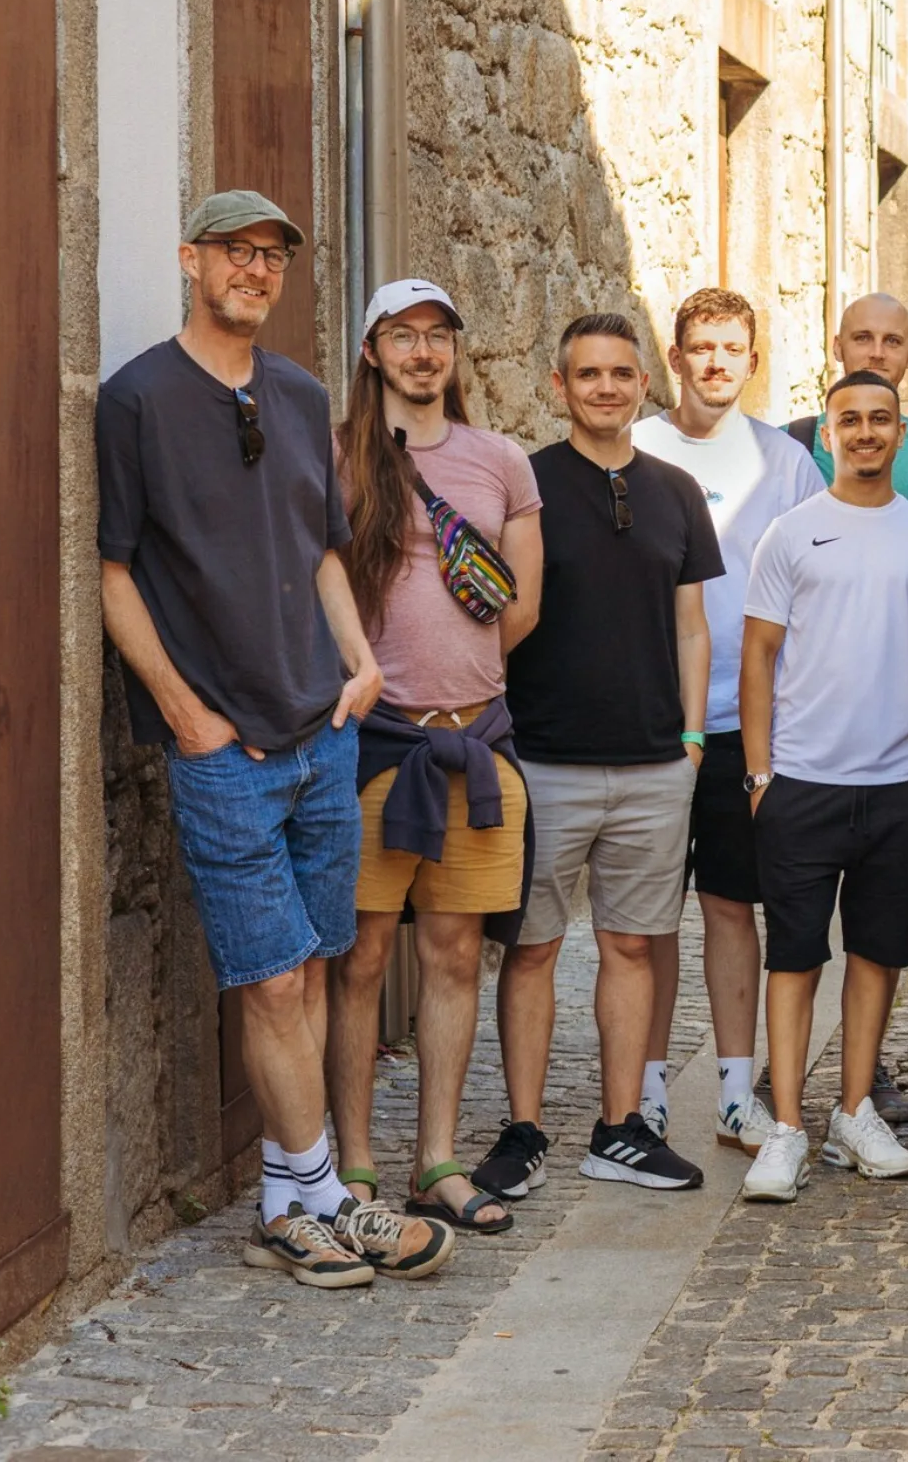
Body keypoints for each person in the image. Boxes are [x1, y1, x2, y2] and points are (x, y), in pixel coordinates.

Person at [97, 190, 442, 1288]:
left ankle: (291, 1198)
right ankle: (324, 1193)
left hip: (323, 730)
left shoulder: (298, 396)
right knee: (275, 978)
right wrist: (184, 712)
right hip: (223, 747)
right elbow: (112, 571)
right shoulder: (136, 398)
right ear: (191, 259)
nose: (256, 270)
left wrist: (363, 664)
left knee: (306, 966)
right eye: (237, 252)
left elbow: (325, 552)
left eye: (273, 256)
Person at [481, 315, 723, 1199]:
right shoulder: (527, 485)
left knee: (632, 945)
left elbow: (692, 627)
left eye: (622, 373)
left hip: (658, 763)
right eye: (589, 375)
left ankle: (620, 1128)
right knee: (533, 949)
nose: (607, 388)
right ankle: (523, 1130)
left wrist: (693, 739)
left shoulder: (678, 491)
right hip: (545, 761)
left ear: (644, 385)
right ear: (560, 386)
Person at [327, 280, 540, 1243]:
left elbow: (522, 607)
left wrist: (467, 682)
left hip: (474, 744)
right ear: (372, 351)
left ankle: (438, 1163)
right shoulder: (338, 457)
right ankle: (357, 1167)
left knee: (455, 952)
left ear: (456, 352)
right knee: (364, 957)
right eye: (402, 337)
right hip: (374, 743)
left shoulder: (499, 461)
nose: (422, 352)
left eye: (438, 336)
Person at [735, 373, 908, 1201]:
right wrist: (760, 775)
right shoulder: (790, 534)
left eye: (880, 420)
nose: (865, 432)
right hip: (802, 782)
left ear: (900, 432)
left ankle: (854, 1111)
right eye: (850, 420)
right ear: (827, 434)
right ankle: (786, 1126)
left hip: (898, 785)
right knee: (793, 958)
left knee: (877, 953)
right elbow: (757, 655)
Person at [632, 288, 832, 1149]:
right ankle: (640, 1094)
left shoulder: (785, 463)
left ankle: (735, 1092)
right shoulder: (635, 445)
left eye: (732, 349)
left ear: (753, 362)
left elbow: (815, 589)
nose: (716, 363)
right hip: (643, 719)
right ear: (674, 360)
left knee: (726, 907)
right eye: (700, 348)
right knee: (643, 918)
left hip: (741, 721)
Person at [785, 292, 908, 517]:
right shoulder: (788, 447)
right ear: (838, 347)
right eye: (863, 338)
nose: (877, 353)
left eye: (892, 341)